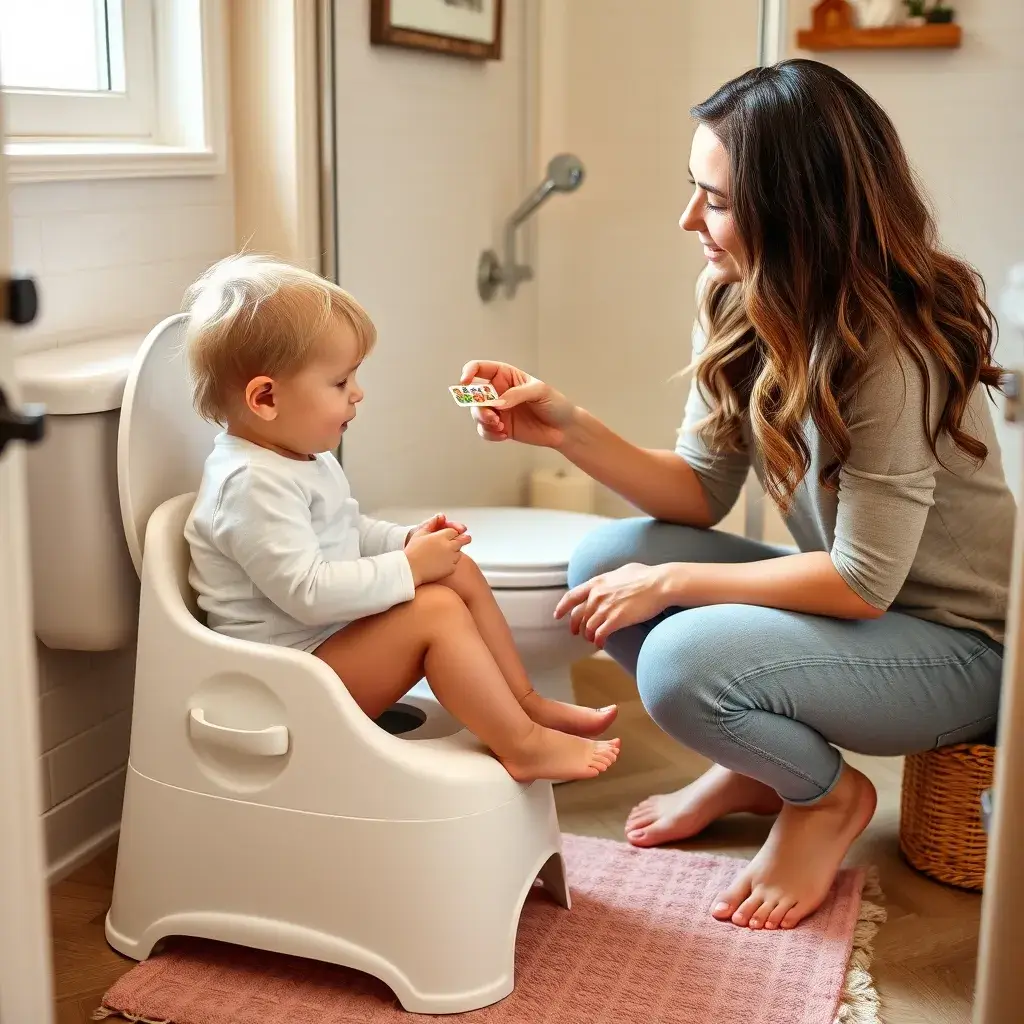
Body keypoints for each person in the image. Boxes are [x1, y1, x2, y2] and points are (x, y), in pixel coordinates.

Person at [459, 59, 1014, 930]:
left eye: (715, 201)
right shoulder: (738, 293)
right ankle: (761, 765)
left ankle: (825, 799)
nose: (690, 220)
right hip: (862, 610)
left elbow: (861, 587)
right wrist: (567, 426)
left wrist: (677, 584)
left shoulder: (892, 350)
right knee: (609, 555)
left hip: (961, 646)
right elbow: (698, 492)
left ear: (800, 212)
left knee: (681, 656)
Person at [182, 254, 620, 784]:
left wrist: (407, 542)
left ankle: (524, 701)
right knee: (433, 608)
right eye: (341, 382)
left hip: (322, 651)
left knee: (453, 570)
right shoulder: (250, 484)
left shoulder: (298, 459)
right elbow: (309, 592)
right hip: (283, 684)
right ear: (267, 398)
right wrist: (410, 567)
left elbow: (348, 531)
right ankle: (523, 746)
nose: (358, 393)